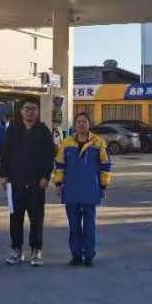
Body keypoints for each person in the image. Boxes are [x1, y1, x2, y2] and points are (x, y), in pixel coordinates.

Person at [0, 99, 56, 265]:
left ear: (37, 112)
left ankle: (36, 251)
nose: (30, 111)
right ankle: (17, 250)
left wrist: (46, 176)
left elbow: (49, 155)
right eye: (27, 108)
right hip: (15, 183)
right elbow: (5, 153)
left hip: (36, 184)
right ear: (21, 111)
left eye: (33, 108)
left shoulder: (43, 131)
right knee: (15, 218)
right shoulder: (13, 129)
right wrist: (3, 175)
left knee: (36, 219)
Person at [53, 111, 112, 266]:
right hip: (71, 189)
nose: (81, 124)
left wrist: (103, 186)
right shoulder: (66, 143)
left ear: (89, 124)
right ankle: (76, 255)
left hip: (90, 189)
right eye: (78, 121)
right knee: (74, 225)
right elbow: (59, 165)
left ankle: (89, 255)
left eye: (84, 121)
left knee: (89, 226)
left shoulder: (98, 142)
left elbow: (105, 166)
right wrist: (58, 184)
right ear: (75, 124)